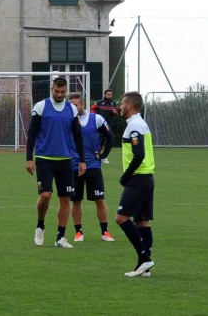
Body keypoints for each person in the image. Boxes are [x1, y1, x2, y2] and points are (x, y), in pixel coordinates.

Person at [25, 76, 86, 248]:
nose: (59, 94)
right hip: (44, 159)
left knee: (65, 199)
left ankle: (60, 237)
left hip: (66, 160)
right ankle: (40, 225)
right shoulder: (41, 106)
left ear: (65, 91)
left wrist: (82, 160)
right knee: (45, 195)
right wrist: (29, 158)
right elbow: (32, 133)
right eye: (56, 91)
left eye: (62, 92)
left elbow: (77, 136)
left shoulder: (71, 110)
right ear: (52, 89)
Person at [115, 91, 156, 278]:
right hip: (147, 178)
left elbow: (138, 154)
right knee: (142, 221)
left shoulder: (135, 126)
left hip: (138, 179)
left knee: (121, 218)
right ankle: (144, 267)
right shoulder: (141, 123)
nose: (120, 107)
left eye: (123, 104)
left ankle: (144, 258)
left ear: (130, 105)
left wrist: (126, 176)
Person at [67, 92, 114, 243]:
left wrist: (103, 154)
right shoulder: (67, 121)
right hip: (74, 166)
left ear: (83, 105)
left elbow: (110, 137)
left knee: (99, 199)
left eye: (76, 105)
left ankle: (105, 231)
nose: (73, 108)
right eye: (71, 105)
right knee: (76, 201)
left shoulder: (96, 119)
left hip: (93, 165)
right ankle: (78, 232)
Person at [91, 88, 121, 161]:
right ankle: (97, 154)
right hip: (100, 125)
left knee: (107, 140)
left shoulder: (114, 104)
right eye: (108, 94)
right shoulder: (99, 103)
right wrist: (94, 117)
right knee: (100, 140)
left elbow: (118, 114)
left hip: (109, 125)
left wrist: (115, 113)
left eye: (111, 94)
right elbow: (92, 109)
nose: (110, 96)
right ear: (104, 95)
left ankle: (102, 155)